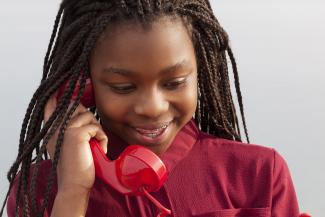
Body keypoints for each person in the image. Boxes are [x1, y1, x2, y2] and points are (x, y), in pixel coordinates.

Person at [0, 0, 300, 216]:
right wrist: (73, 191)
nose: (153, 108)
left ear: (202, 72)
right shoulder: (37, 191)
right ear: (83, 87)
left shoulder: (259, 173)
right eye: (123, 87)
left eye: (175, 82)